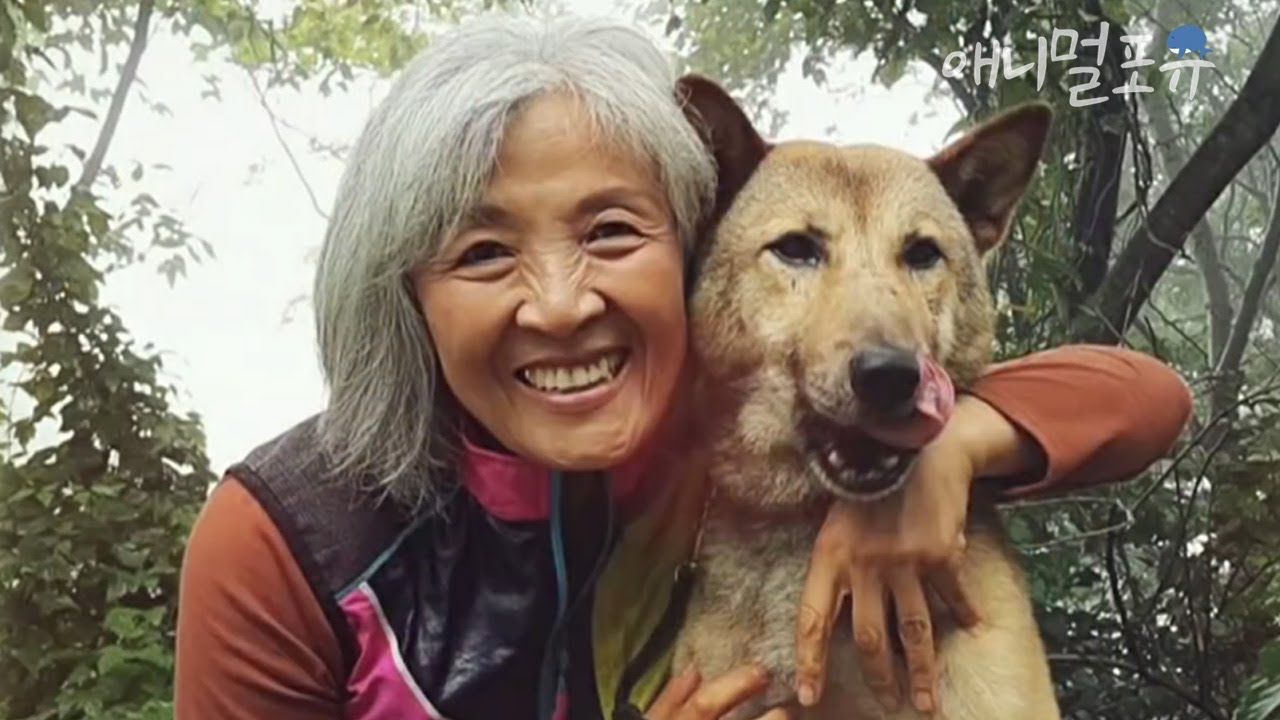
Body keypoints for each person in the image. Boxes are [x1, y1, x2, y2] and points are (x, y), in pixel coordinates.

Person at [173, 12, 1193, 720]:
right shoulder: (293, 542)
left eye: (611, 231)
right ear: (403, 288)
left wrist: (946, 451)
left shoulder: (725, 433)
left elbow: (1142, 396)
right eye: (484, 253)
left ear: (683, 244)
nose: (563, 303)